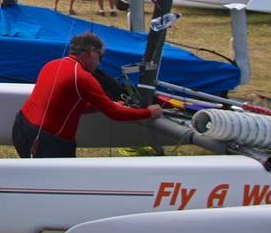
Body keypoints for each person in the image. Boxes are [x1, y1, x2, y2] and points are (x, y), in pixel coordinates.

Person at [12, 33, 162, 159]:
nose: (99, 63)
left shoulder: (52, 64)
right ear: (92, 51)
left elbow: (65, 104)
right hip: (47, 141)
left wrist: (99, 107)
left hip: (21, 127)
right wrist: (149, 113)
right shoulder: (83, 77)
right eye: (101, 57)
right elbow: (115, 114)